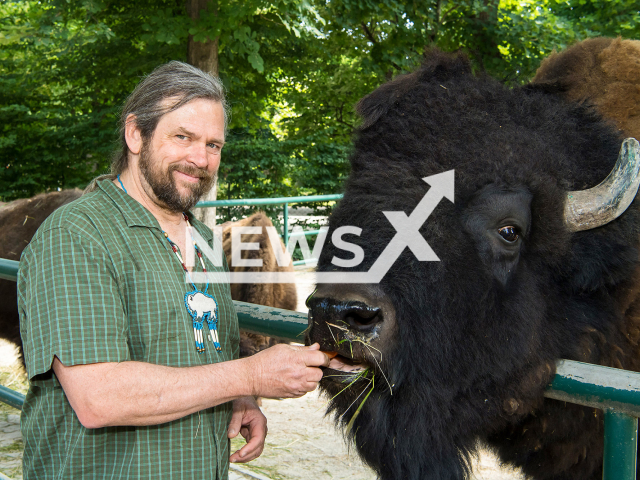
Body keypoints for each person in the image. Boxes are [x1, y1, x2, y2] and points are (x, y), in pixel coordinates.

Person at [17, 61, 329, 479]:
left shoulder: (203, 241)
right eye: (182, 137)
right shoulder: (77, 235)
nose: (200, 158)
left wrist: (240, 398)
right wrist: (250, 374)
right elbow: (99, 398)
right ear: (135, 134)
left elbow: (199, 354)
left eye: (213, 145)